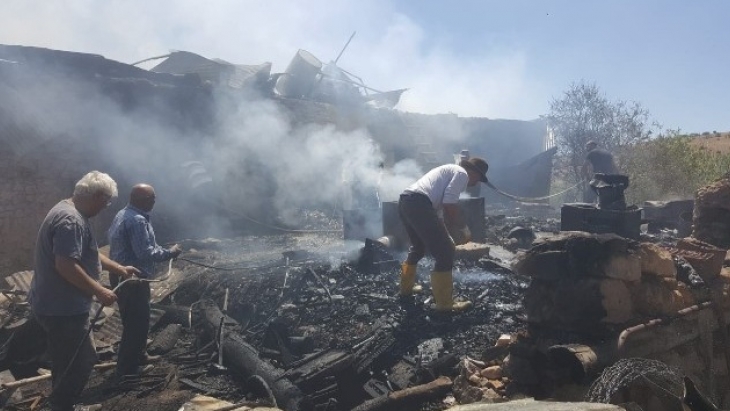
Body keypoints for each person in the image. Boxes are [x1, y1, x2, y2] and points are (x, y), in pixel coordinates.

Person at [30, 171, 139, 411]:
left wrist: (119, 268)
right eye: (106, 201)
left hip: (59, 303)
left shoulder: (70, 211)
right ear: (97, 196)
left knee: (66, 360)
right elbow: (66, 265)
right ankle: (64, 406)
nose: (106, 207)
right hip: (62, 308)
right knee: (80, 362)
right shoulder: (71, 220)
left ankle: (64, 404)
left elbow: (88, 252)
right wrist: (100, 291)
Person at [107, 184, 182, 380]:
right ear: (143, 200)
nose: (155, 202)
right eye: (152, 198)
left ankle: (139, 356)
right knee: (135, 324)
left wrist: (160, 249)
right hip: (132, 279)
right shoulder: (137, 220)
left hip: (123, 276)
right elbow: (145, 252)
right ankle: (127, 371)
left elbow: (145, 245)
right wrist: (170, 253)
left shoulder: (123, 213)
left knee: (137, 320)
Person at [397, 157, 489, 312]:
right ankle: (445, 305)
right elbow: (449, 204)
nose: (477, 182)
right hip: (419, 203)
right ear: (473, 172)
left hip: (406, 201)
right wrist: (463, 228)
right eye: (479, 178)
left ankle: (406, 289)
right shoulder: (462, 174)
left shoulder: (450, 172)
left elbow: (438, 216)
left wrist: (448, 237)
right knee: (445, 253)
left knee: (418, 247)